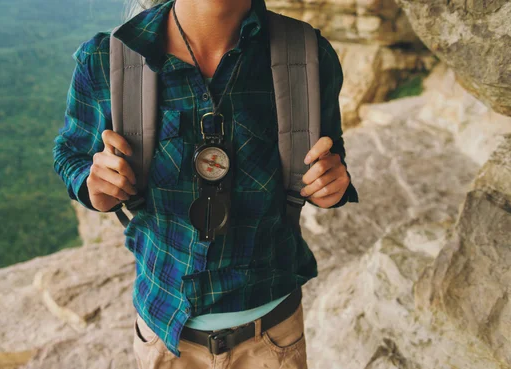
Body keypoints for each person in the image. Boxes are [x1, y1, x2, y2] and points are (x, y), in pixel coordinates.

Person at [52, 0, 359, 367]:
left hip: (273, 339)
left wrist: (331, 185)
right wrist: (93, 185)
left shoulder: (306, 55)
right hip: (164, 338)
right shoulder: (110, 58)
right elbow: (71, 152)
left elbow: (330, 157)